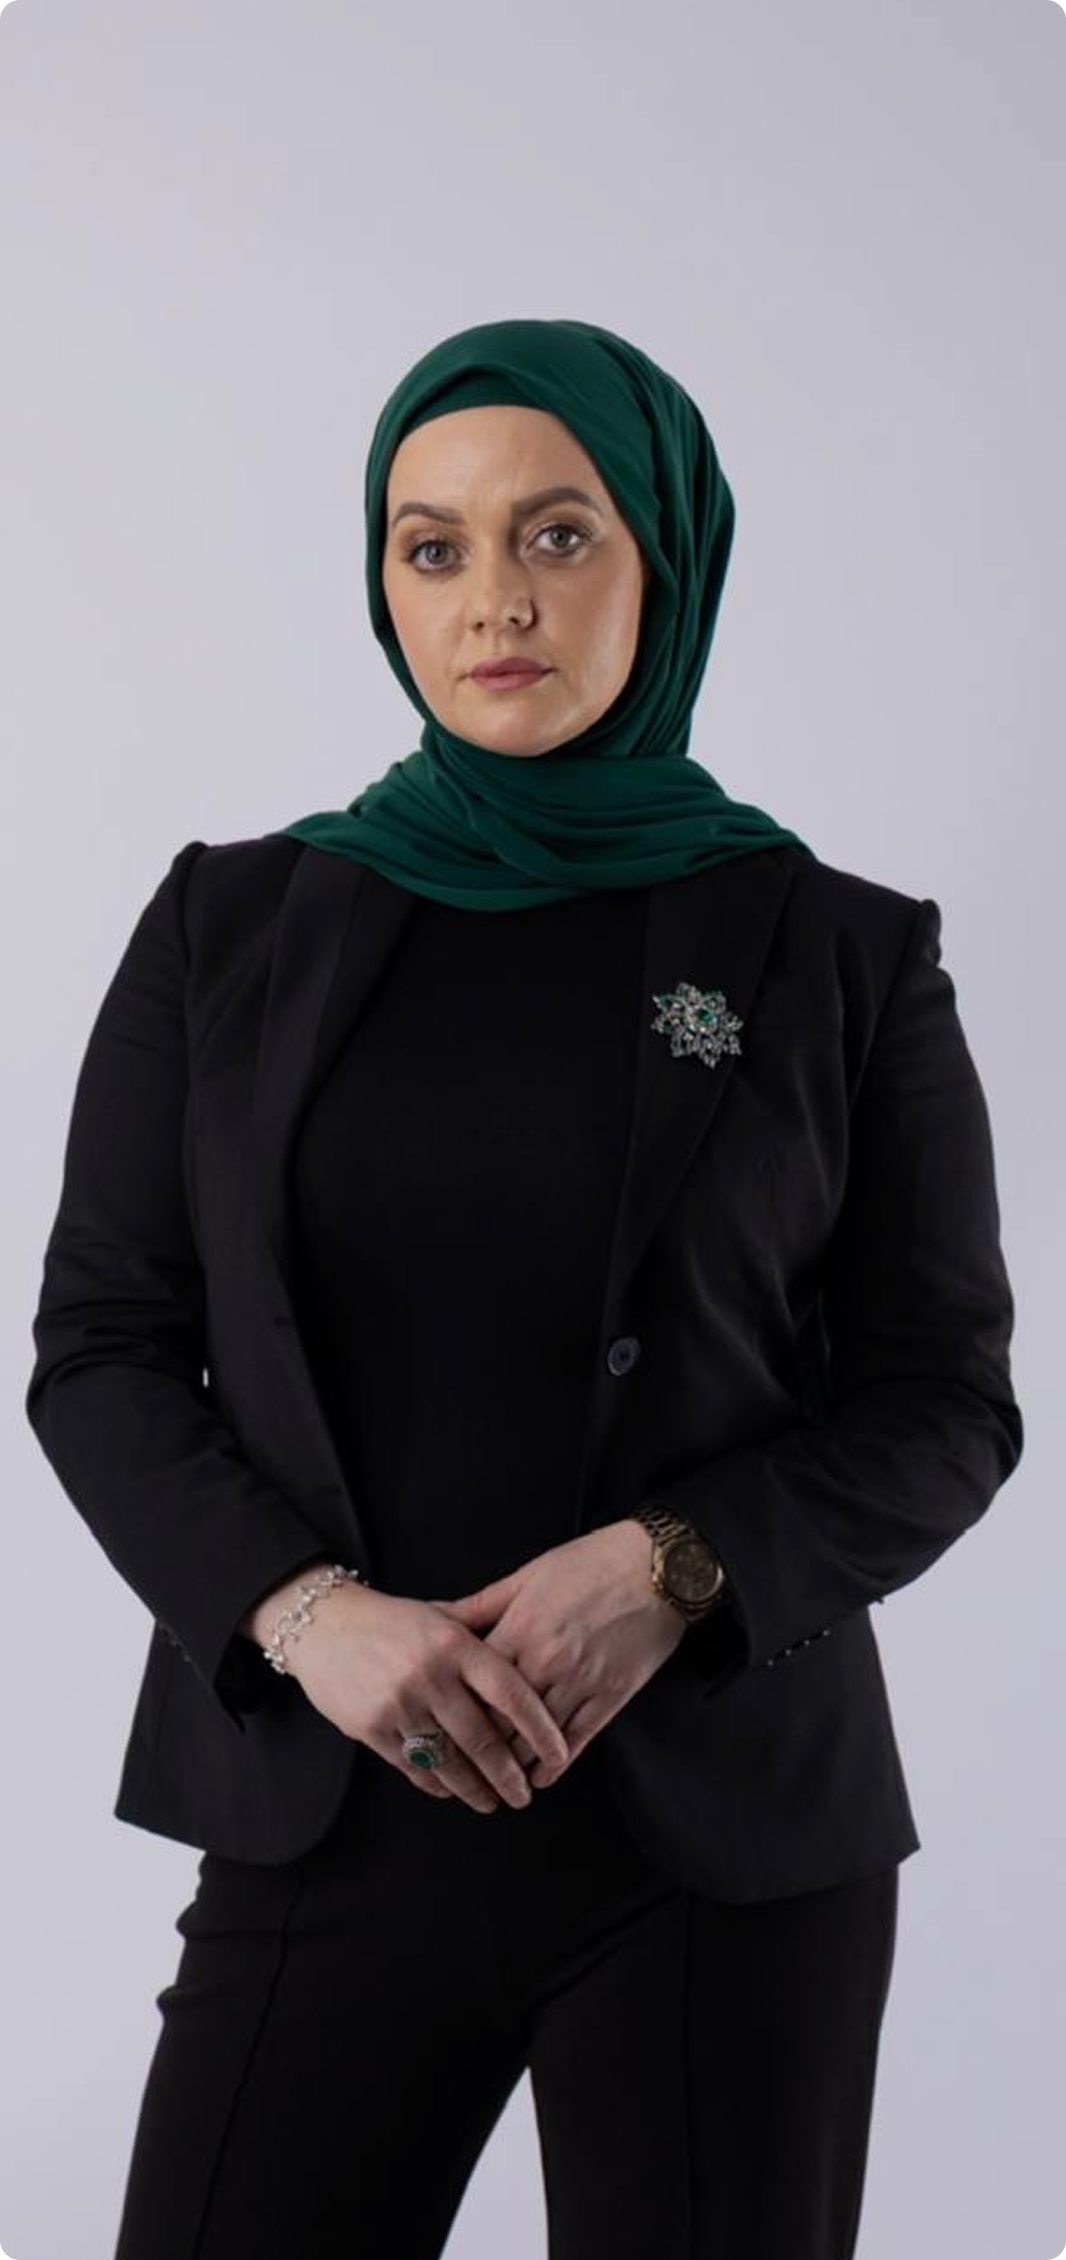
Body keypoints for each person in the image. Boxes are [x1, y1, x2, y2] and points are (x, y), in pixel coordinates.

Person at [25, 316, 1024, 2260]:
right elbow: (103, 1349)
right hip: (327, 1803)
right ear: (383, 581)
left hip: (719, 1848)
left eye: (557, 533)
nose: (493, 597)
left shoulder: (835, 952)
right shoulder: (232, 923)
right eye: (434, 545)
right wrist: (303, 1613)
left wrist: (673, 1565)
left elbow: (941, 1404)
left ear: (665, 556)